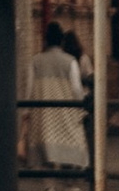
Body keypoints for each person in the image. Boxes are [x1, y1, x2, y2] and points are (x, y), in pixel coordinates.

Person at [27, 16, 90, 174]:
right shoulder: (70, 61)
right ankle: (69, 179)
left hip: (42, 112)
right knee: (72, 138)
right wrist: (82, 104)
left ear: (46, 40)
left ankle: (49, 184)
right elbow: (76, 89)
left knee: (44, 146)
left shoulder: (35, 61)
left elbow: (29, 88)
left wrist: (26, 110)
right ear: (61, 40)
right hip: (65, 109)